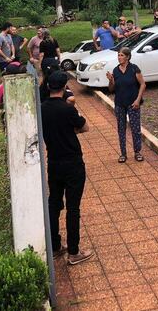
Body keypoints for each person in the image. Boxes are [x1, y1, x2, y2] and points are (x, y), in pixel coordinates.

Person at [41, 71, 93, 265]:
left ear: (48, 87)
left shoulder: (41, 109)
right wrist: (72, 130)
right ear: (63, 88)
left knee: (54, 204)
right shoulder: (68, 109)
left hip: (53, 162)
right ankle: (73, 252)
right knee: (73, 207)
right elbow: (85, 127)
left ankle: (55, 247)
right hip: (72, 162)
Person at [106, 47, 146, 163]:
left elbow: (143, 84)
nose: (119, 57)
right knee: (121, 129)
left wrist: (138, 100)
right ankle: (123, 153)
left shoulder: (134, 69)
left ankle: (137, 152)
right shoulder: (116, 70)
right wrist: (111, 80)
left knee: (135, 128)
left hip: (133, 103)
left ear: (127, 57)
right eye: (118, 55)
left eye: (122, 55)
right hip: (119, 104)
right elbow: (111, 89)